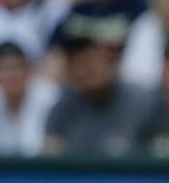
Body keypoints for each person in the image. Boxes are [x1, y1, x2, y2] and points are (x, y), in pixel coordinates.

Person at [40, 17, 152, 157]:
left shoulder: (143, 104)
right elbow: (50, 163)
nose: (87, 68)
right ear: (69, 70)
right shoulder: (62, 110)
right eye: (77, 61)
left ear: (110, 58)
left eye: (92, 58)